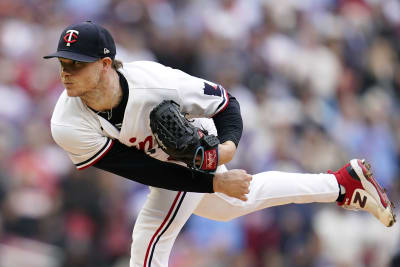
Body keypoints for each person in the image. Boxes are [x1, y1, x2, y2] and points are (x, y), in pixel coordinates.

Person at [44, 21, 395, 267]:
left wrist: (225, 151)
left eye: (76, 64)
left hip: (190, 150)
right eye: (63, 62)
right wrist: (215, 183)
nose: (65, 72)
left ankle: (338, 184)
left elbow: (227, 104)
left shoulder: (158, 83)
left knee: (147, 244)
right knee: (229, 204)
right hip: (160, 165)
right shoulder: (67, 123)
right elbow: (141, 169)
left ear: (105, 65)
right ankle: (340, 183)